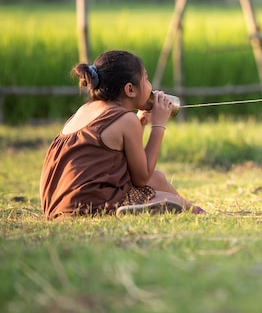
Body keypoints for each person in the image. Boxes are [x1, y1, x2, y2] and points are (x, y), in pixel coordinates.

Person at [40, 50, 204, 219]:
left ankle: (193, 209)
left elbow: (122, 159)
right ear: (130, 89)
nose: (150, 86)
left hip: (56, 204)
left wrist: (140, 121)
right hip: (90, 203)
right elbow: (141, 177)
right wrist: (158, 125)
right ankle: (170, 208)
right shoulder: (126, 119)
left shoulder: (86, 110)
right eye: (146, 79)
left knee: (158, 178)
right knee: (170, 200)